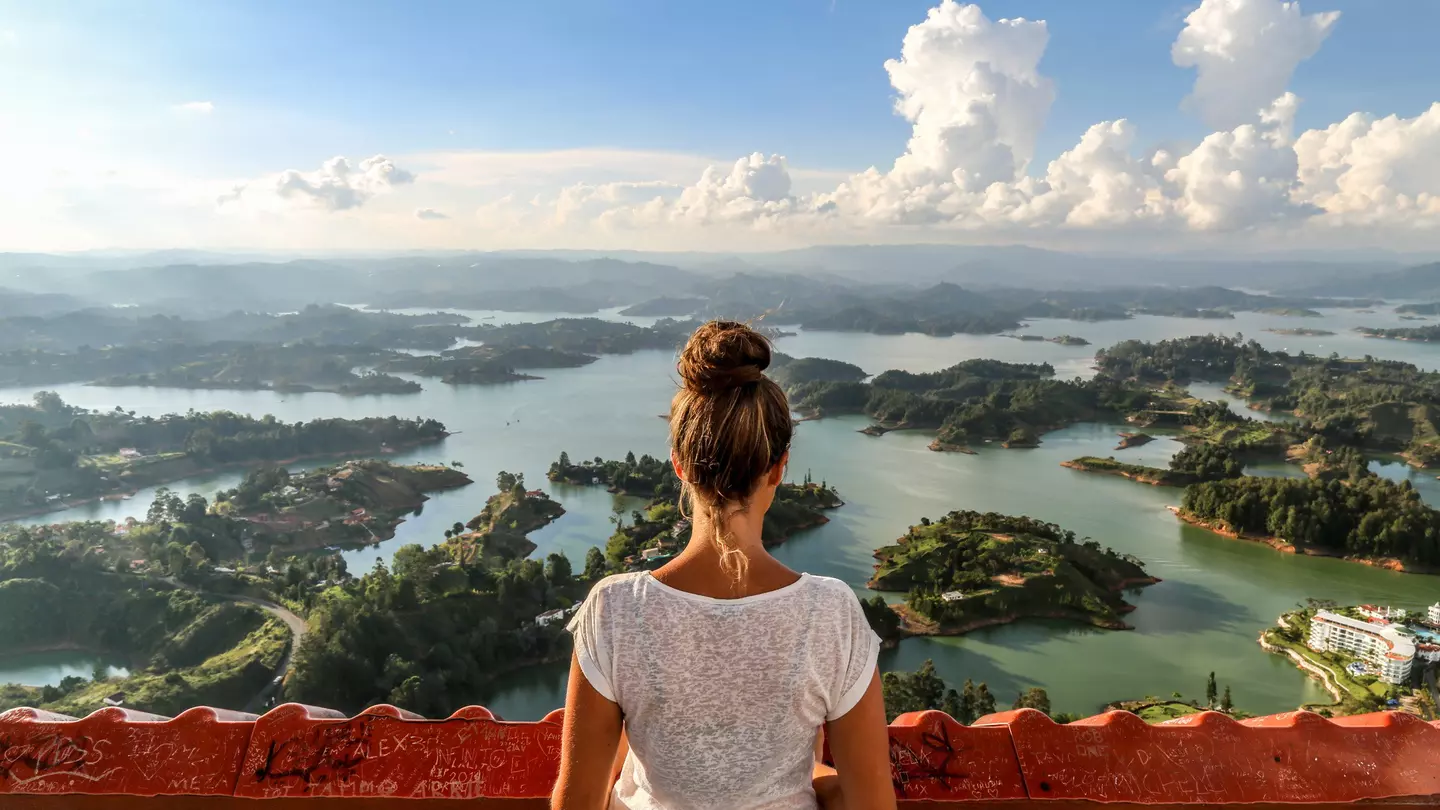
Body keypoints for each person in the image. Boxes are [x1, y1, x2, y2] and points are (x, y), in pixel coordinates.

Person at [551, 320, 895, 810]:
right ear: (778, 468)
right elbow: (872, 803)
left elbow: (579, 799)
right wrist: (814, 777)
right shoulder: (831, 612)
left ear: (679, 465)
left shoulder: (615, 608)